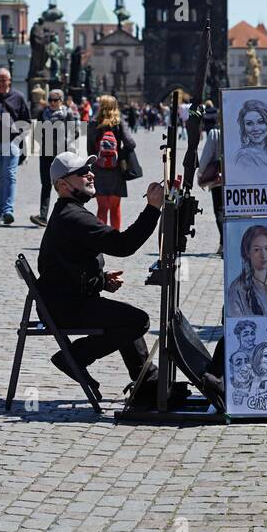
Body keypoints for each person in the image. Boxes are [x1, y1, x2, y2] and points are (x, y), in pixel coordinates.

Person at [36, 150, 165, 404]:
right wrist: (152, 209)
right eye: (83, 173)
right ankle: (74, 358)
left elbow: (67, 266)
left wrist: (102, 280)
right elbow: (123, 245)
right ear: (63, 184)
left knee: (124, 317)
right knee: (136, 321)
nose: (91, 175)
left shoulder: (71, 212)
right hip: (64, 307)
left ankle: (147, 381)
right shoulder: (73, 216)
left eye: (89, 170)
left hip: (65, 300)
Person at [0, 67, 31, 225]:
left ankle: (8, 210)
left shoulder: (18, 97)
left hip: (12, 142)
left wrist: (19, 138)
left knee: (10, 176)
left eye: (4, 80)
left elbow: (26, 121)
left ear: (9, 81)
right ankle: (1, 212)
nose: (1, 83)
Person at [87, 94, 136, 230]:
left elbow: (89, 150)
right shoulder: (119, 122)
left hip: (99, 170)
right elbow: (131, 143)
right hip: (116, 171)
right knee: (115, 208)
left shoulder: (93, 123)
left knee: (102, 208)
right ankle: (115, 241)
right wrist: (119, 154)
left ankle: (101, 241)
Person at [31, 88, 78, 227]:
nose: (52, 102)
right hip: (45, 153)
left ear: (61, 100)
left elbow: (74, 131)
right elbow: (37, 132)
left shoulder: (67, 113)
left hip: (61, 155)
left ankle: (68, 215)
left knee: (64, 185)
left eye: (55, 100)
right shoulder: (42, 113)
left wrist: (63, 143)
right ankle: (43, 216)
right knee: (46, 184)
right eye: (50, 99)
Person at [196, 106, 224, 254]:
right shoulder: (240, 134)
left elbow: (206, 157)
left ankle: (224, 241)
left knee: (219, 210)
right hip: (237, 181)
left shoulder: (215, 133)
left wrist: (200, 176)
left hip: (218, 180)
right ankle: (224, 242)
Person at [234, 99, 267, 169]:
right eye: (249, 123)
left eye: (261, 122)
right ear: (244, 128)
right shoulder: (244, 158)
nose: (255, 129)